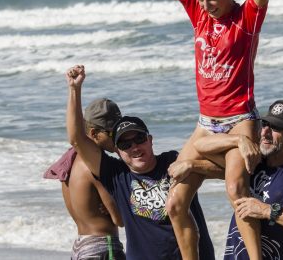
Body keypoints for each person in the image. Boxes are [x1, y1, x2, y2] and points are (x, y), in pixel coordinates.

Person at [122, 0, 283, 260]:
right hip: (205, 124)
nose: (206, 3)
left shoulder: (246, 21)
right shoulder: (198, 14)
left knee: (235, 189)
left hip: (239, 120)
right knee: (175, 202)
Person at [65, 64, 220, 260]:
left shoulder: (173, 161)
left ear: (150, 140)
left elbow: (226, 170)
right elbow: (77, 138)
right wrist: (74, 89)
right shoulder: (117, 176)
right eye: (125, 144)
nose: (135, 147)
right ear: (118, 150)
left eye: (139, 139)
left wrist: (194, 165)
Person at [193, 99, 283, 259]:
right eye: (265, 124)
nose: (265, 132)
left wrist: (266, 210)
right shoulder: (252, 161)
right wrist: (238, 140)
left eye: (276, 128)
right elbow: (200, 145)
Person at [44, 98, 126, 259]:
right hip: (104, 246)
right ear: (94, 133)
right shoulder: (97, 167)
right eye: (113, 133)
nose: (119, 138)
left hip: (82, 245)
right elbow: (119, 219)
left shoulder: (69, 161)